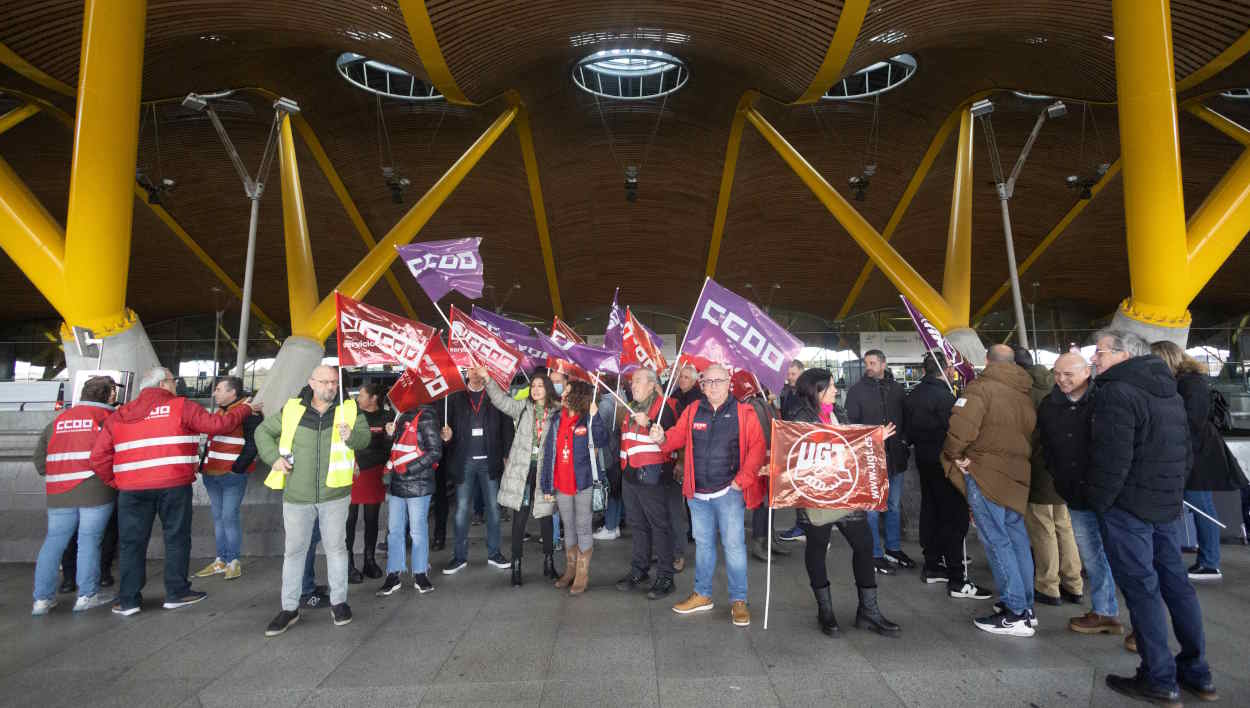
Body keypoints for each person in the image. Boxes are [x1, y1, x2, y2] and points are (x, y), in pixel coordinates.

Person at [1087, 330, 1215, 703]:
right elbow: (1185, 451)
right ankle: (1197, 673)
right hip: (1165, 506)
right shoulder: (1169, 390)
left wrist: (1101, 502)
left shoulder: (1117, 393)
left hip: (1130, 510)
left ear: (1124, 355)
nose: (1095, 358)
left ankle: (1159, 678)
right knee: (1177, 587)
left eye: (1101, 352)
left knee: (1143, 592)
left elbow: (1113, 460)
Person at [90, 367, 258, 616]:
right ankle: (177, 593)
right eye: (174, 381)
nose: (176, 385)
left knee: (131, 544)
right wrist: (245, 408)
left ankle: (128, 600)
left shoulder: (120, 414)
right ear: (164, 384)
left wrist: (117, 482)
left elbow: (98, 457)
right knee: (176, 539)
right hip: (173, 485)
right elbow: (217, 425)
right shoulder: (181, 406)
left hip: (132, 490)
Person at [254, 365, 370, 637]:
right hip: (297, 496)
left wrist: (351, 437)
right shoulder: (292, 409)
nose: (330, 386)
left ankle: (339, 603)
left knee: (337, 549)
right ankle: (289, 608)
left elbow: (364, 439)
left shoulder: (349, 409)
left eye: (333, 382)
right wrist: (274, 458)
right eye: (325, 382)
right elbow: (262, 432)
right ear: (311, 382)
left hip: (335, 493)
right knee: (294, 552)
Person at [651, 364, 766, 627]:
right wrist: (661, 438)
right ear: (701, 386)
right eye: (708, 382)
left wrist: (742, 481)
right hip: (697, 493)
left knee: (734, 547)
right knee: (703, 546)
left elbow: (757, 450)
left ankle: (739, 600)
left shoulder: (744, 413)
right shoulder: (692, 411)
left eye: (718, 381)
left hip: (729, 492)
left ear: (729, 383)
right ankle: (702, 594)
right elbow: (675, 439)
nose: (713, 386)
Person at [788, 368, 901, 637]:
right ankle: (825, 612)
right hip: (817, 495)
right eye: (830, 387)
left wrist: (874, 438)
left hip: (846, 491)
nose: (836, 390)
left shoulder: (838, 411)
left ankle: (869, 611)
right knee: (817, 548)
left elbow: (849, 440)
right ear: (816, 390)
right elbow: (798, 454)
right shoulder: (800, 418)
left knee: (864, 546)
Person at [942, 344, 1037, 637]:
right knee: (1016, 537)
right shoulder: (1024, 393)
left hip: (986, 474)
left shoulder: (980, 389)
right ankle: (1026, 607)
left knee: (996, 540)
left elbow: (961, 429)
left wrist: (954, 455)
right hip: (1017, 474)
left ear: (987, 361)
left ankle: (1015, 612)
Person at [1036, 352, 1124, 636]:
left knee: (1128, 558)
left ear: (1087, 372)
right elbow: (1046, 444)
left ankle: (1144, 623)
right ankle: (1104, 610)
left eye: (1068, 374)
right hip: (1075, 493)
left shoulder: (1107, 400)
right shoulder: (1050, 405)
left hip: (1112, 493)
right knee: (1092, 555)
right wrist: (1059, 474)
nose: (1061, 379)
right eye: (1057, 373)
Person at [1152, 340, 1247, 582]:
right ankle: (1207, 560)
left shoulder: (1190, 383)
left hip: (1198, 455)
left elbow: (1192, 421)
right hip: (1194, 453)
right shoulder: (1186, 382)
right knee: (1200, 506)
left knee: (1201, 506)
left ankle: (1210, 562)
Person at [31, 375, 119, 614]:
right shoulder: (109, 419)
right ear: (110, 394)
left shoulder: (58, 421)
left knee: (53, 543)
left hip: (59, 491)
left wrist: (62, 472)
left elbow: (40, 461)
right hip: (95, 490)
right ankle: (87, 595)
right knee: (89, 541)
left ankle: (42, 599)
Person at [903, 353, 989, 597]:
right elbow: (956, 434)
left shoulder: (912, 396)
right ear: (947, 368)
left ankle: (933, 565)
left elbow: (908, 432)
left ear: (923, 370)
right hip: (946, 463)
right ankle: (957, 577)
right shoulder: (946, 398)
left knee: (930, 510)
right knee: (954, 516)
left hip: (923, 460)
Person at [1015, 348, 1084, 607]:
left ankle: (1048, 586)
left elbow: (1026, 436)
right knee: (1064, 527)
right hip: (1064, 472)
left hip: (1040, 471)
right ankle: (1074, 583)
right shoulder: (1060, 390)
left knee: (1043, 529)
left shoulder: (1027, 395)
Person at [484, 369, 560, 586]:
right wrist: (489, 380)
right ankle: (516, 566)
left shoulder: (557, 412)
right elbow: (501, 401)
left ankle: (549, 562)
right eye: (533, 386)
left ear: (547, 388)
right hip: (523, 473)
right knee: (520, 519)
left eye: (540, 386)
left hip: (545, 474)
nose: (535, 390)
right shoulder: (523, 408)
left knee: (546, 518)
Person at [845, 349, 913, 573]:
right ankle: (874, 553)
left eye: (873, 363)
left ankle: (892, 548)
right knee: (873, 509)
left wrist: (904, 441)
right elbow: (851, 426)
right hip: (870, 459)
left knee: (893, 506)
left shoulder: (897, 389)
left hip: (896, 457)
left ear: (883, 364)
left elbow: (906, 418)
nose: (869, 366)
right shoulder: (856, 392)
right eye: (867, 363)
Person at [613, 368, 679, 600]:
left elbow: (671, 438)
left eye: (638, 380)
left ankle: (666, 576)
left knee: (659, 526)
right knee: (637, 525)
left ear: (652, 384)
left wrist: (649, 421)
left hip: (652, 475)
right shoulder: (631, 406)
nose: (633, 384)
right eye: (632, 381)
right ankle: (639, 570)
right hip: (630, 474)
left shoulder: (664, 407)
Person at [440, 367, 513, 574]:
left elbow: (507, 427)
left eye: (479, 370)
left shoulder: (495, 395)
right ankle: (459, 557)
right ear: (467, 373)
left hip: (490, 461)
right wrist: (446, 437)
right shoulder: (454, 398)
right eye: (471, 370)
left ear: (485, 373)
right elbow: (445, 431)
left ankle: (494, 553)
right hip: (464, 462)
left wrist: (507, 453)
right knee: (462, 510)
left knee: (493, 509)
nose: (475, 373)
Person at [539, 380, 607, 594]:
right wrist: (547, 486)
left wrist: (595, 417)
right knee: (567, 527)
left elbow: (602, 439)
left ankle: (582, 574)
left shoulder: (588, 418)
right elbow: (549, 453)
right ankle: (570, 570)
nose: (563, 394)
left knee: (583, 527)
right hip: (561, 483)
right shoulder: (557, 419)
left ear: (578, 395)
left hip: (583, 482)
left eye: (567, 391)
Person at [194, 376, 262, 581]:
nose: (214, 393)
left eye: (219, 389)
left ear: (233, 392)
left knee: (228, 518)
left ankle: (233, 561)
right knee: (218, 518)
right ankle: (221, 560)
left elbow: (253, 444)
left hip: (231, 476)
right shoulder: (222, 411)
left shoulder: (250, 413)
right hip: (212, 474)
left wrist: (237, 469)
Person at [56, 381, 121, 593]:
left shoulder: (63, 417)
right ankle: (100, 576)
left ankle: (67, 580)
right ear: (109, 395)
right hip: (98, 485)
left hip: (64, 486)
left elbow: (42, 456)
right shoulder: (110, 419)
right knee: (101, 534)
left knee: (69, 534)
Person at [377, 399, 442, 596]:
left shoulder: (427, 416)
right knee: (395, 530)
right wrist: (389, 436)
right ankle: (394, 572)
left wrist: (409, 469)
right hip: (399, 481)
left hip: (417, 483)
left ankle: (420, 572)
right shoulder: (399, 415)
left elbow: (435, 451)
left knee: (417, 530)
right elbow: (396, 449)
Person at [345, 383, 389, 584]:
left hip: (373, 474)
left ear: (374, 398)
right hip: (351, 473)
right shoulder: (350, 415)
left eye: (362, 395)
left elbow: (387, 449)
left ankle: (369, 560)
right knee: (349, 520)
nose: (358, 398)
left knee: (372, 519)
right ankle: (348, 564)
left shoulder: (386, 418)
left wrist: (390, 435)